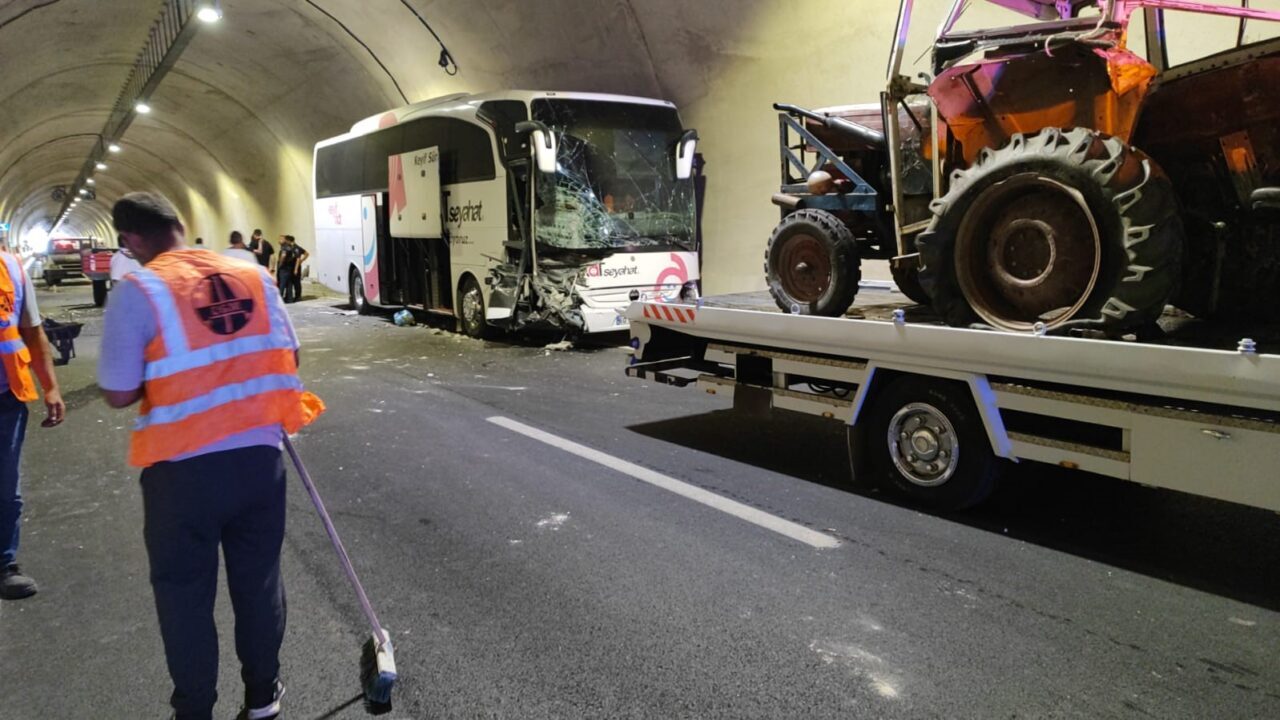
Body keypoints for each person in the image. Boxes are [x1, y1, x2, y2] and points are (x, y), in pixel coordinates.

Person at [100, 192, 324, 720]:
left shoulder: (139, 291)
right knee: (259, 581)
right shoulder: (254, 276)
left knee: (183, 595)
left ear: (130, 242)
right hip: (258, 462)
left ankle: (195, 708)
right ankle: (263, 700)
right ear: (180, 224)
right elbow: (288, 354)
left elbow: (116, 391)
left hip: (182, 474)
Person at [0, 249, 65, 601]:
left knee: (7, 488)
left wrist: (51, 387)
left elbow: (32, 331)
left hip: (5, 397)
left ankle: (5, 564)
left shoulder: (11, 268)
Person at [275, 235, 309, 304]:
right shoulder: (290, 247)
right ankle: (289, 298)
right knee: (289, 283)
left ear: (288, 241)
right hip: (290, 268)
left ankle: (297, 297)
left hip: (294, 268)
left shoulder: (296, 248)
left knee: (296, 283)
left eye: (286, 240)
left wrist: (299, 264)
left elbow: (300, 257)